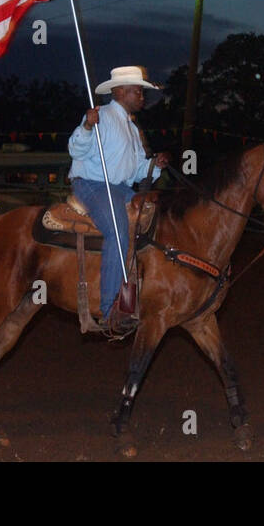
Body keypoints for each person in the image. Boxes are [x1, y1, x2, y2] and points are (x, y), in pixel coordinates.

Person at [68, 65, 169, 333]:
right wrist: (87, 126)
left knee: (152, 219)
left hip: (121, 187)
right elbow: (75, 148)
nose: (142, 96)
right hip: (92, 184)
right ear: (121, 92)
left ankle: (141, 293)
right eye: (138, 91)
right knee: (118, 230)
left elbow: (136, 171)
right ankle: (111, 306)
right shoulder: (100, 116)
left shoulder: (132, 128)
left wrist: (154, 165)